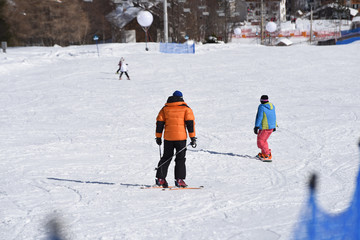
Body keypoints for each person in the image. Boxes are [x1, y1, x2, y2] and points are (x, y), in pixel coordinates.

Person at [155, 90, 197, 188]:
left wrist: (158, 137)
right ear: (182, 98)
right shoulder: (186, 109)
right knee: (180, 159)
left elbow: (159, 124)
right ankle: (179, 180)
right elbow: (190, 124)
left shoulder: (165, 109)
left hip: (168, 138)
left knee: (166, 157)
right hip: (181, 138)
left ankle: (160, 179)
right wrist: (192, 137)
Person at [254, 95, 277, 161]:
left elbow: (259, 117)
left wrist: (256, 126)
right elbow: (273, 116)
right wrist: (274, 125)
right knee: (263, 140)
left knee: (260, 141)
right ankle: (264, 153)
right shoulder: (272, 106)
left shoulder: (261, 107)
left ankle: (267, 154)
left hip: (264, 127)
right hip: (271, 127)